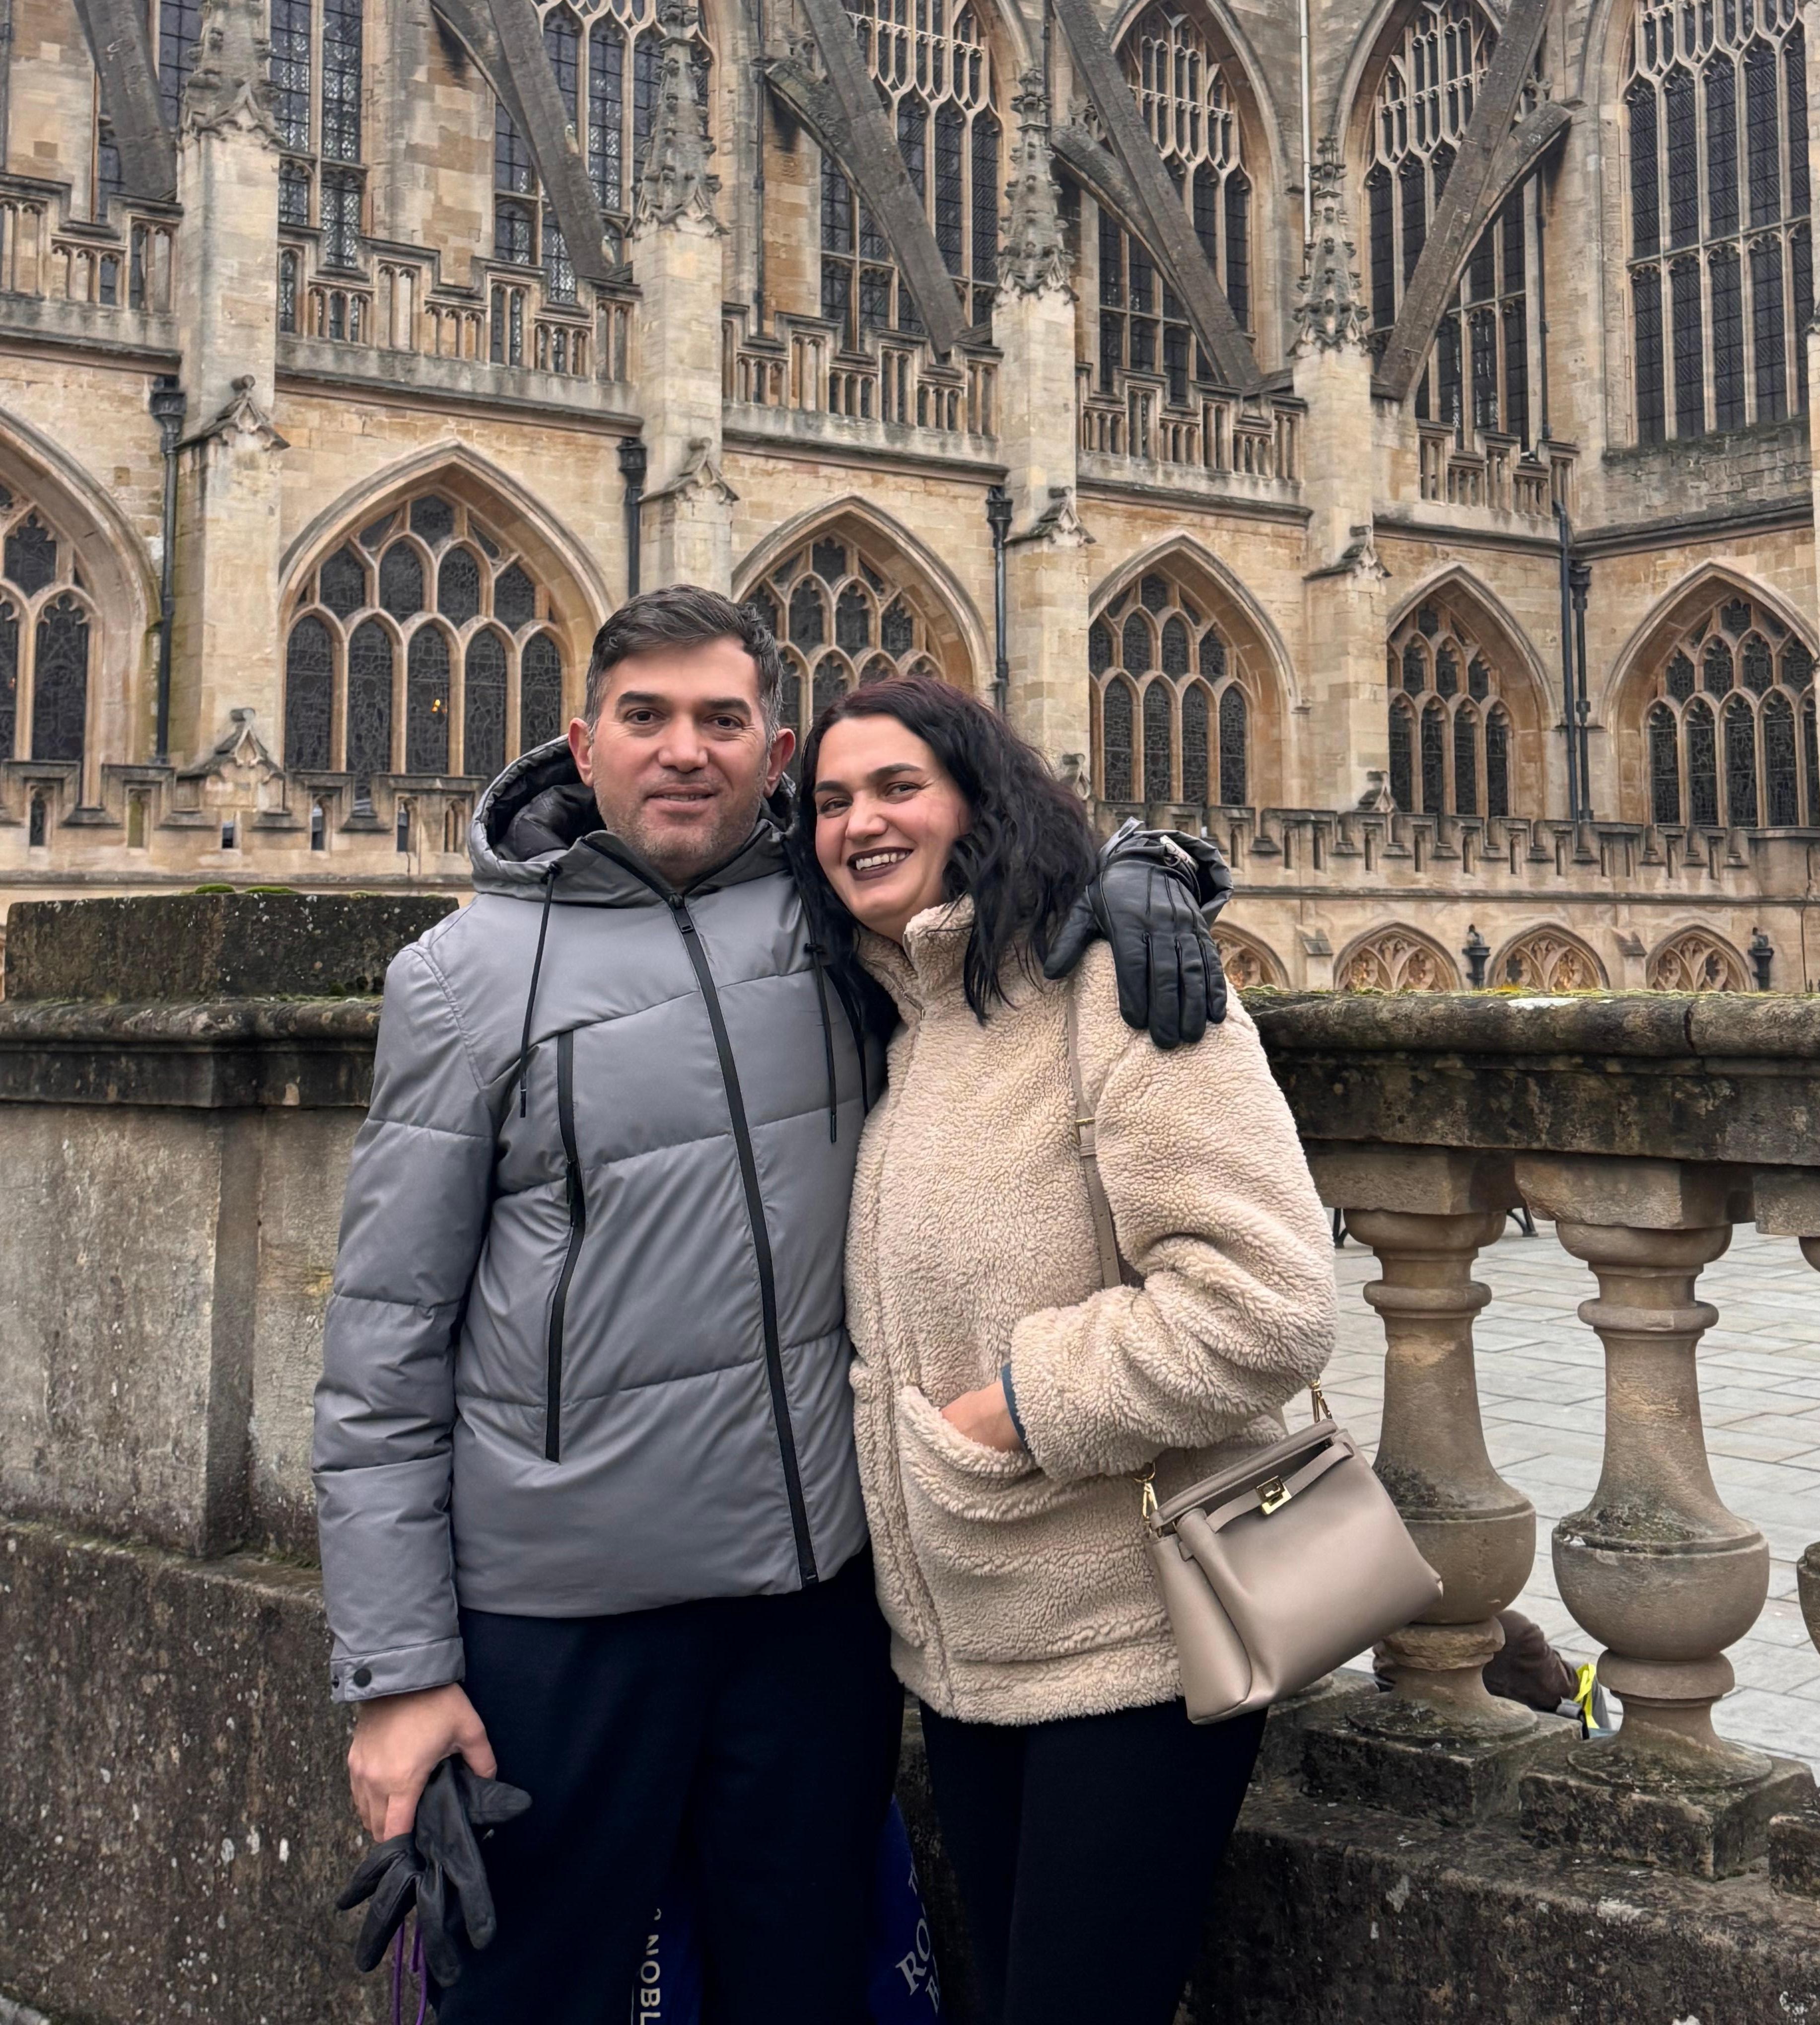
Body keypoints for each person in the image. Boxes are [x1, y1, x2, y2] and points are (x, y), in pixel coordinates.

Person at [312, 586, 1229, 2024]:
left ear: (772, 751)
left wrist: (1143, 872)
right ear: (581, 740)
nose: (686, 751)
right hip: (564, 1610)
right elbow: (381, 1346)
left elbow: (986, 885)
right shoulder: (458, 979)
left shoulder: (837, 927)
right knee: (533, 1994)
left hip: (812, 1610)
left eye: (721, 721)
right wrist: (395, 1673)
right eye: (648, 717)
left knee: (803, 1988)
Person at [799, 675, 1339, 2025]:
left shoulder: (1117, 982)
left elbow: (1264, 1302)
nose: (858, 821)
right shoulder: (895, 1015)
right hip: (971, 1651)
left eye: (896, 788)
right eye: (827, 800)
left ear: (981, 802)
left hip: (1135, 1639)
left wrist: (1013, 1415)